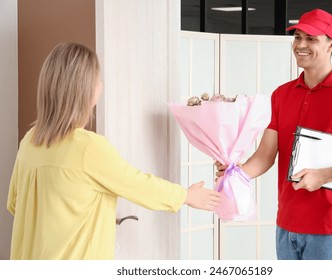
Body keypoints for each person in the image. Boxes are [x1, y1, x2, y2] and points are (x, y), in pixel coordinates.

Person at [7, 42, 221, 260]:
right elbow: (140, 185)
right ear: (87, 90)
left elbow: (16, 204)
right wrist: (186, 195)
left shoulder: (29, 142)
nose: (101, 84)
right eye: (98, 79)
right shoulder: (89, 148)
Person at [216, 9, 332, 260]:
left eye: (312, 38)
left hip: (330, 228)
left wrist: (327, 175)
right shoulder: (281, 94)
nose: (301, 45)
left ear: (331, 45)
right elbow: (265, 155)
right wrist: (236, 172)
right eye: (297, 37)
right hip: (286, 225)